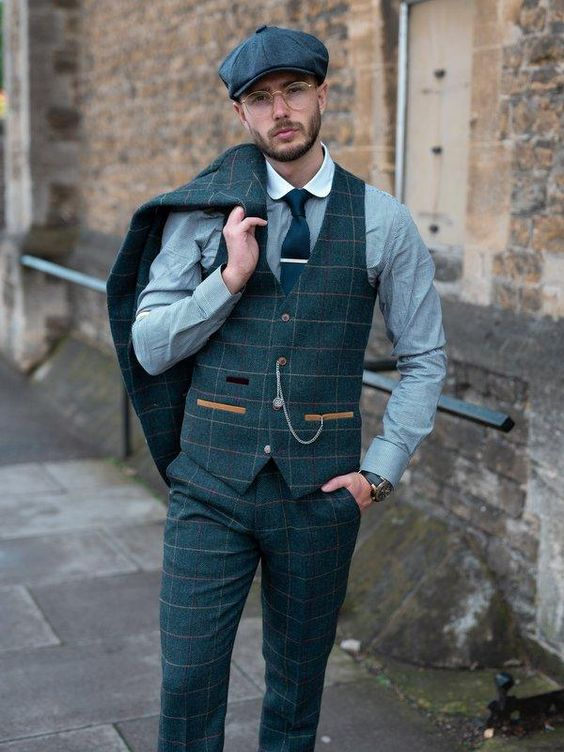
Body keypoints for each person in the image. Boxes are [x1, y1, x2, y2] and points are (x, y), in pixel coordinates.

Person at [110, 24, 447, 752]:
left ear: (323, 94)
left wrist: (378, 475)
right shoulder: (203, 212)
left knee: (297, 695)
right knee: (188, 682)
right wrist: (227, 279)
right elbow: (148, 344)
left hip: (320, 496)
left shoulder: (383, 221)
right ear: (240, 114)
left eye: (294, 90)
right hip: (210, 486)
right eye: (259, 99)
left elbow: (424, 359)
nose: (279, 110)